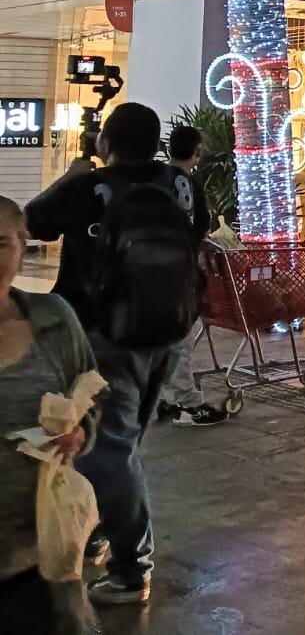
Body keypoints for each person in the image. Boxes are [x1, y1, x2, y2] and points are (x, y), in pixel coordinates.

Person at [24, 102, 208, 608]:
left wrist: (74, 174)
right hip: (170, 330)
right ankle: (104, 531)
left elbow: (32, 223)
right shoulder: (182, 185)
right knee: (122, 446)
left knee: (109, 451)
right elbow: (198, 234)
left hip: (104, 335)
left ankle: (131, 568)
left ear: (106, 143)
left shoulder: (92, 185)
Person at [0, 196, 98, 633]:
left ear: (23, 247)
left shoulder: (55, 320)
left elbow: (90, 399)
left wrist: (79, 432)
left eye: (0, 243)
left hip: (37, 558)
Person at [155, 125, 227, 428]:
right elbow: (202, 230)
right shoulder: (190, 184)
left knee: (160, 338)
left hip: (146, 271)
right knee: (180, 340)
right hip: (178, 272)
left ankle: (164, 397)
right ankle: (188, 403)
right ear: (197, 151)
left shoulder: (152, 178)